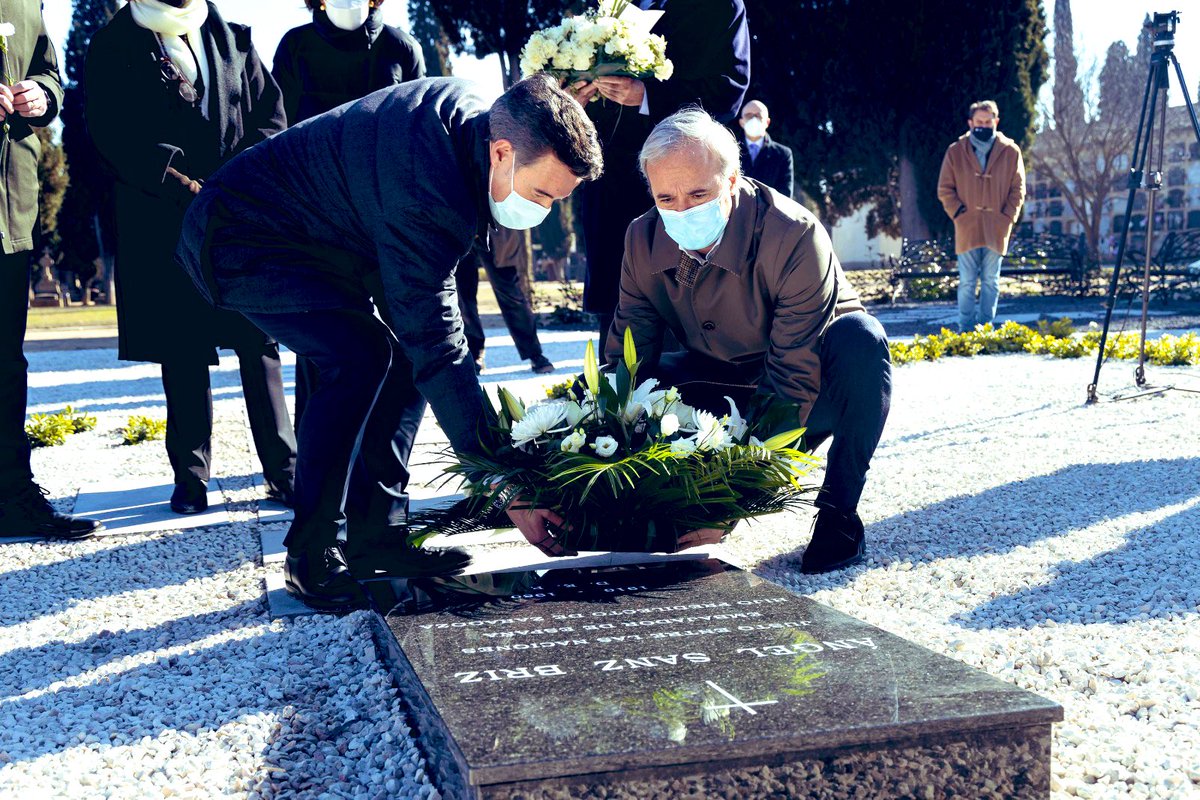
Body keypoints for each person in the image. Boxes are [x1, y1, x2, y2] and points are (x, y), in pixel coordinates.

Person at [176, 75, 603, 612]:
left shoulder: (474, 125)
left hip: (322, 233)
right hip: (244, 234)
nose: (540, 213)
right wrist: (507, 487)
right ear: (502, 153)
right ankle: (310, 555)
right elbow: (439, 345)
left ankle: (378, 535)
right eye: (541, 193)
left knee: (402, 353)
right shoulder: (428, 185)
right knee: (357, 356)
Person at [606, 109, 891, 574]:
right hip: (717, 380)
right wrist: (605, 462)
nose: (682, 210)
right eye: (666, 197)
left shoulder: (794, 235)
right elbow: (627, 358)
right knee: (632, 386)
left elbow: (792, 379)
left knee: (863, 340)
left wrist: (736, 500)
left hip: (811, 383)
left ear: (733, 180)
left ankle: (839, 512)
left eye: (699, 193)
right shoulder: (641, 238)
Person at [86, 0, 297, 516]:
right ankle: (191, 475)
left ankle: (285, 469)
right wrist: (183, 183)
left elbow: (270, 116)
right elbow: (112, 132)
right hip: (161, 215)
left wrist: (238, 183)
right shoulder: (115, 43)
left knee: (258, 339)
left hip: (238, 213)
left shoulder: (234, 39)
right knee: (182, 348)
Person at [272, 0, 425, 430]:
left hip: (385, 221)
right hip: (316, 221)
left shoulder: (401, 46)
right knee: (322, 338)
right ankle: (314, 455)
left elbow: (419, 135)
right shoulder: (295, 47)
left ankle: (380, 455)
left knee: (405, 334)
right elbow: (276, 134)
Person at [573, 0, 750, 342]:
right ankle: (618, 389)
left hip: (681, 188)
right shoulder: (606, 7)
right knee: (617, 321)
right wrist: (575, 98)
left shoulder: (722, 6)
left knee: (682, 318)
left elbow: (728, 89)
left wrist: (646, 95)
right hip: (609, 189)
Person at [0, 1, 101, 539]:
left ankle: (12, 498)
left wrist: (42, 95)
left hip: (9, 208)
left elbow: (49, 74)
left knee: (5, 363)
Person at [936, 99, 1026, 332]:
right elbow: (945, 189)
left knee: (991, 281)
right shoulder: (956, 151)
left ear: (996, 121)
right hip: (967, 227)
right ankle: (965, 328)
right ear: (970, 122)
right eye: (979, 122)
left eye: (988, 122)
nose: (983, 126)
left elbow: (1018, 189)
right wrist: (959, 213)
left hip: (997, 227)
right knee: (966, 281)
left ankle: (985, 327)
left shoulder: (1010, 151)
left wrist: (1007, 217)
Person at [456, 225, 555, 374]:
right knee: (463, 298)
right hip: (460, 229)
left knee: (511, 295)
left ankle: (534, 353)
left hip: (495, 230)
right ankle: (474, 353)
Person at [737, 99, 793, 199]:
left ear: (767, 122)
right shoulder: (729, 150)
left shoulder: (783, 155)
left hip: (768, 213)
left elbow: (785, 196)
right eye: (749, 116)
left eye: (758, 116)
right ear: (741, 122)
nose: (754, 119)